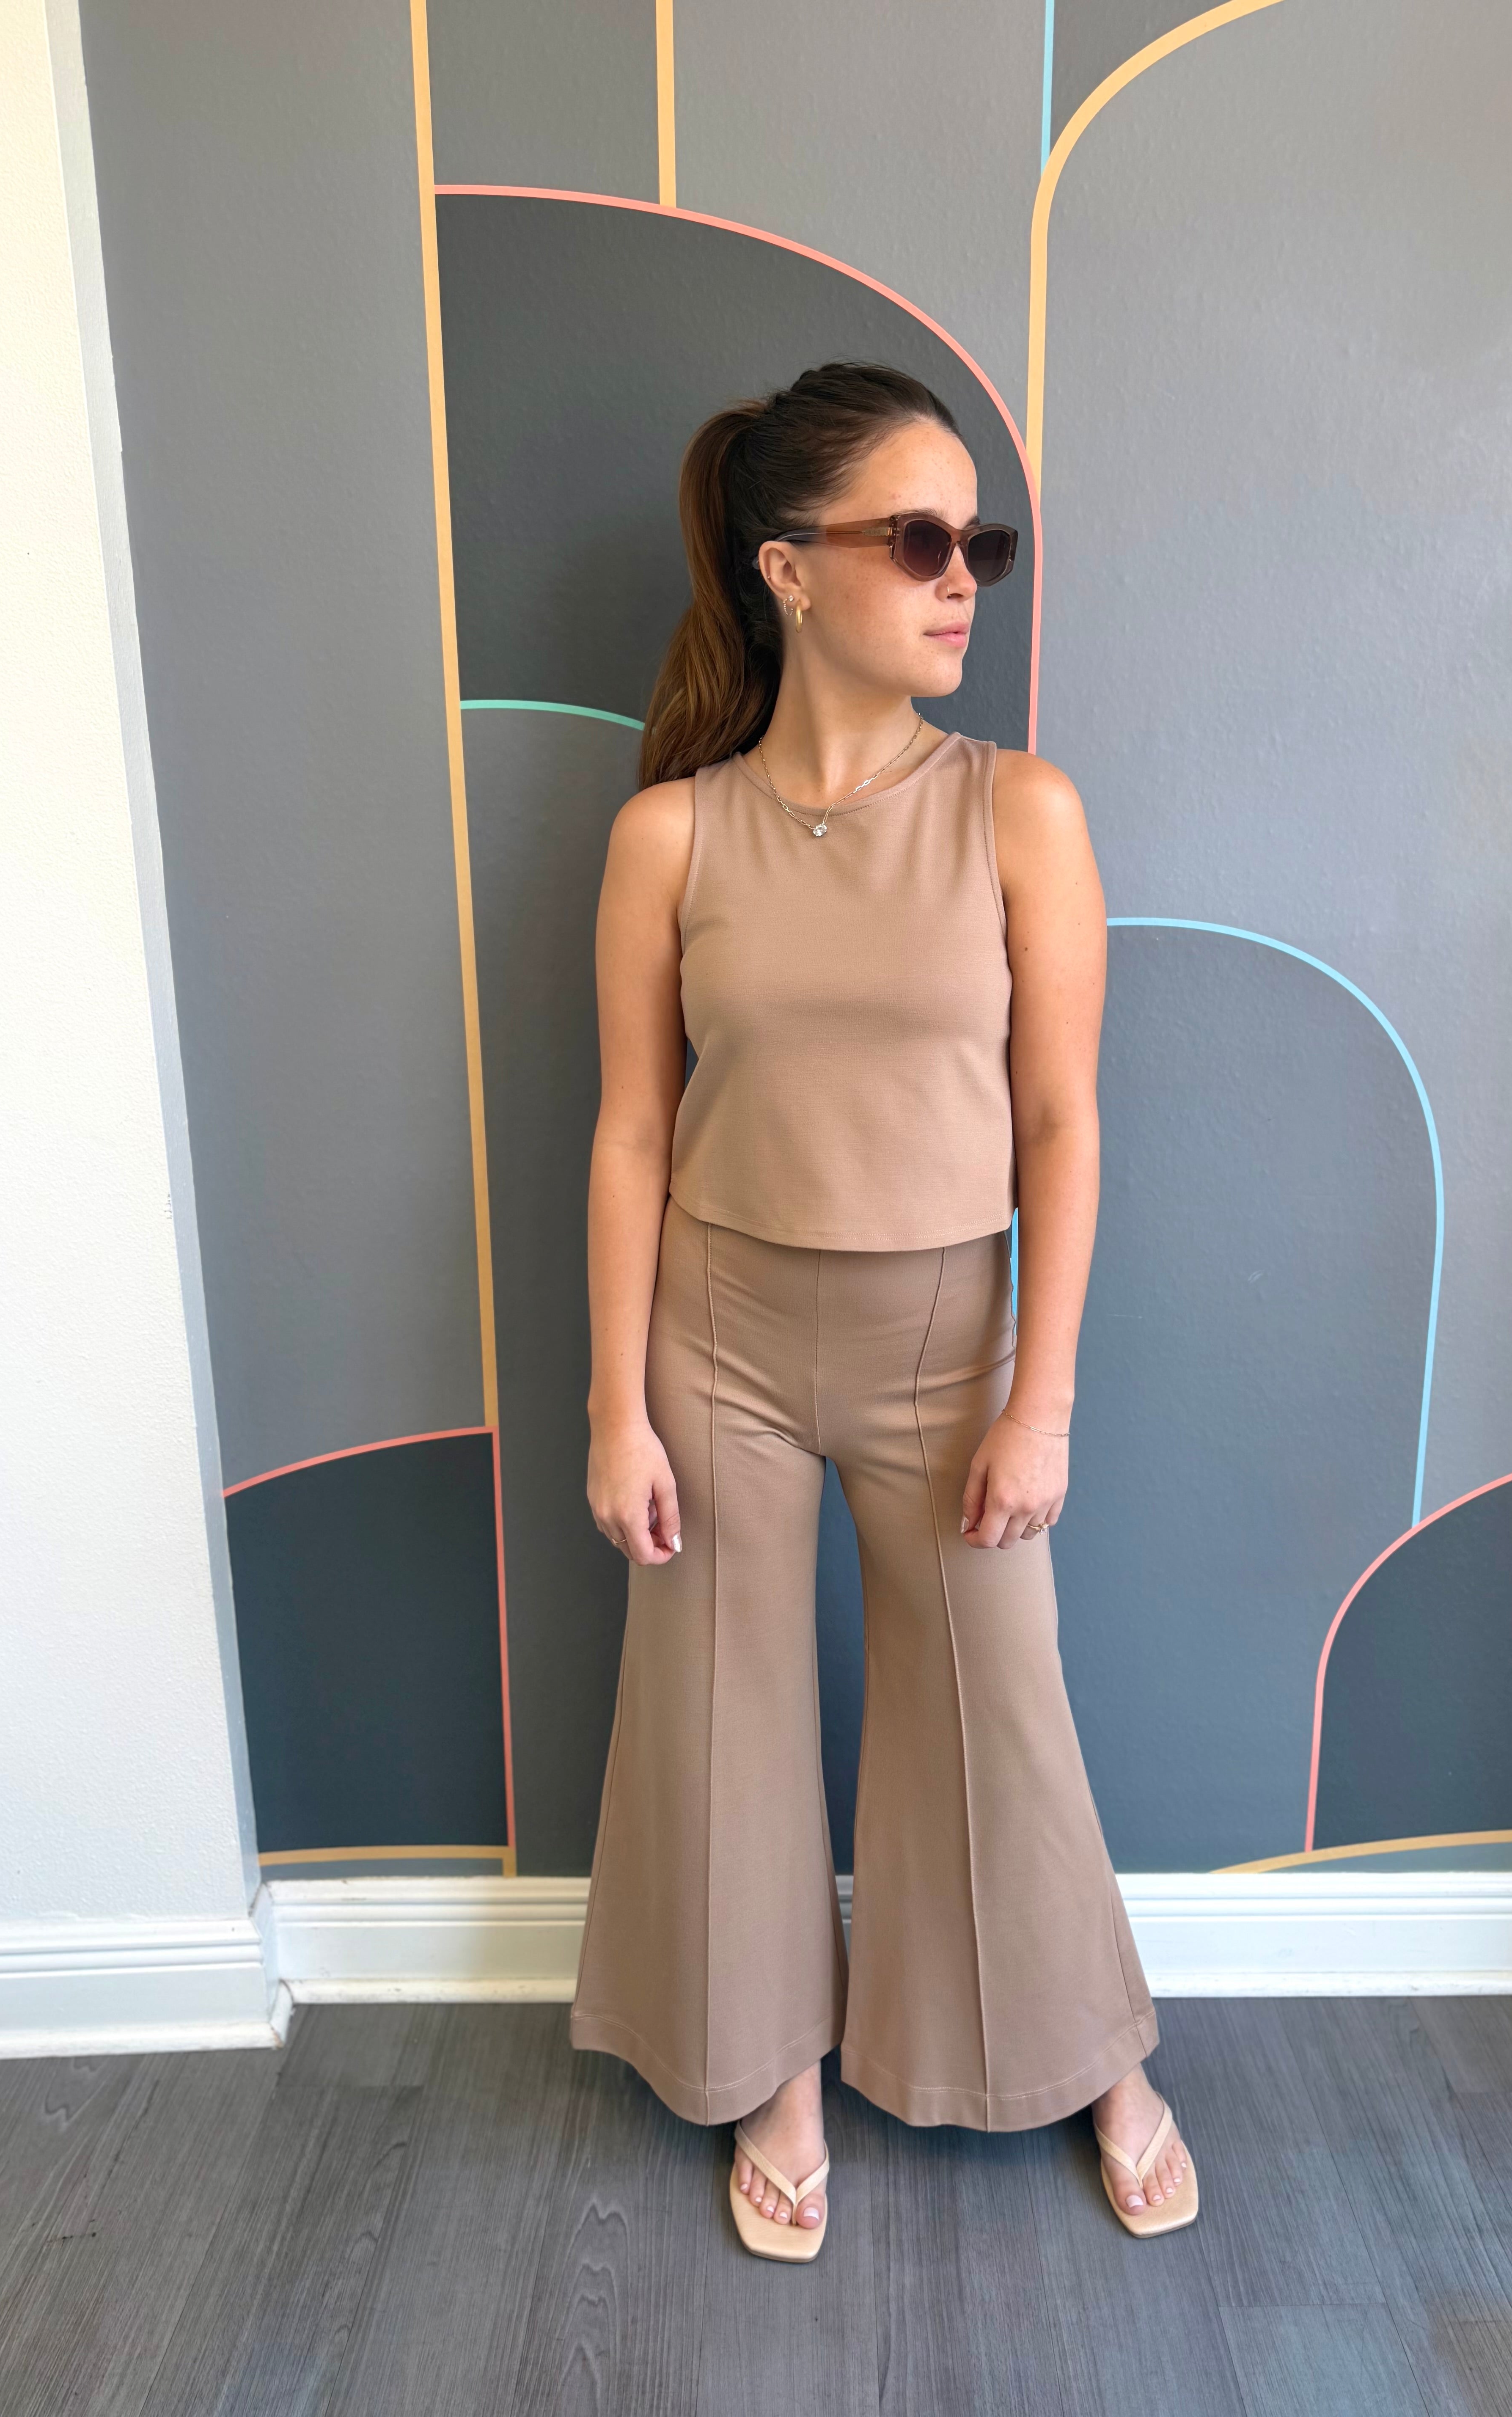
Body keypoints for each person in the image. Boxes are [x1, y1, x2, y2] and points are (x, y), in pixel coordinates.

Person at [569, 360, 1197, 2260]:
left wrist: (1044, 1402)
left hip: (950, 1341)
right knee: (720, 1713)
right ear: (787, 568)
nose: (959, 581)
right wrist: (616, 1407)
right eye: (918, 541)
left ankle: (1091, 2057)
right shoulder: (671, 836)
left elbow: (1065, 1123)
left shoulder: (1020, 810)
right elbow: (630, 1132)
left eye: (975, 545)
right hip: (718, 1334)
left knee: (998, 1710)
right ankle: (771, 2064)